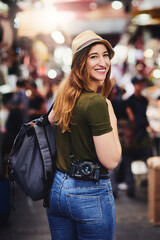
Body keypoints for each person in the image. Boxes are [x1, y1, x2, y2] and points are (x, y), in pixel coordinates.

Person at [47, 30, 122, 240]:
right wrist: (110, 113)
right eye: (93, 56)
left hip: (57, 190)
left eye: (105, 55)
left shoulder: (63, 97)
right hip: (89, 194)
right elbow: (112, 160)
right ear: (81, 63)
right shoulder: (97, 103)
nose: (103, 62)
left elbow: (50, 120)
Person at [126, 76, 152, 161]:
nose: (141, 85)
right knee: (136, 158)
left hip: (143, 131)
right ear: (134, 85)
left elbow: (145, 115)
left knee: (146, 155)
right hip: (135, 133)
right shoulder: (129, 100)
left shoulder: (144, 99)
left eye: (142, 83)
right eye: (139, 83)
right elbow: (131, 118)